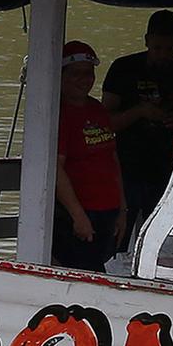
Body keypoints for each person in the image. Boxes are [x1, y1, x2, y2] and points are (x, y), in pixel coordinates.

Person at [101, 9, 173, 245]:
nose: (163, 55)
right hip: (124, 165)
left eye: (170, 49)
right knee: (117, 234)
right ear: (146, 40)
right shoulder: (124, 68)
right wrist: (140, 112)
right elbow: (104, 122)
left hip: (167, 166)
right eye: (157, 48)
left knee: (159, 236)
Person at [54, 42, 127, 272]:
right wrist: (78, 215)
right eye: (75, 74)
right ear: (62, 75)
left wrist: (122, 210)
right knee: (80, 272)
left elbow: (112, 160)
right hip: (81, 213)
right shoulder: (60, 114)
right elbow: (56, 168)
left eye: (88, 73)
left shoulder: (97, 109)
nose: (84, 79)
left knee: (99, 269)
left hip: (108, 211)